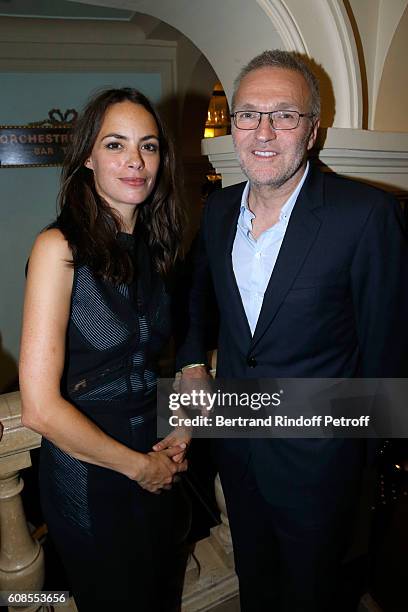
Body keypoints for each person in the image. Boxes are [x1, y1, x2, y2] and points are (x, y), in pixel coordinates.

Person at [175, 50, 408, 612]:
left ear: (313, 129)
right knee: (256, 583)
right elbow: (195, 291)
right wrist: (190, 362)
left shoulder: (366, 215)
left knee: (314, 594)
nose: (263, 131)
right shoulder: (218, 208)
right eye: (249, 114)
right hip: (236, 444)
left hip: (321, 464)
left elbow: (388, 350)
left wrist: (362, 466)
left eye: (284, 115)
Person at [19, 88, 191, 612]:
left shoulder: (158, 246)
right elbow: (39, 408)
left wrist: (181, 431)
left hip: (157, 463)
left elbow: (166, 362)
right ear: (88, 157)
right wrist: (139, 468)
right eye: (115, 145)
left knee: (161, 595)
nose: (135, 161)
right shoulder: (59, 249)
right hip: (91, 473)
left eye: (149, 146)